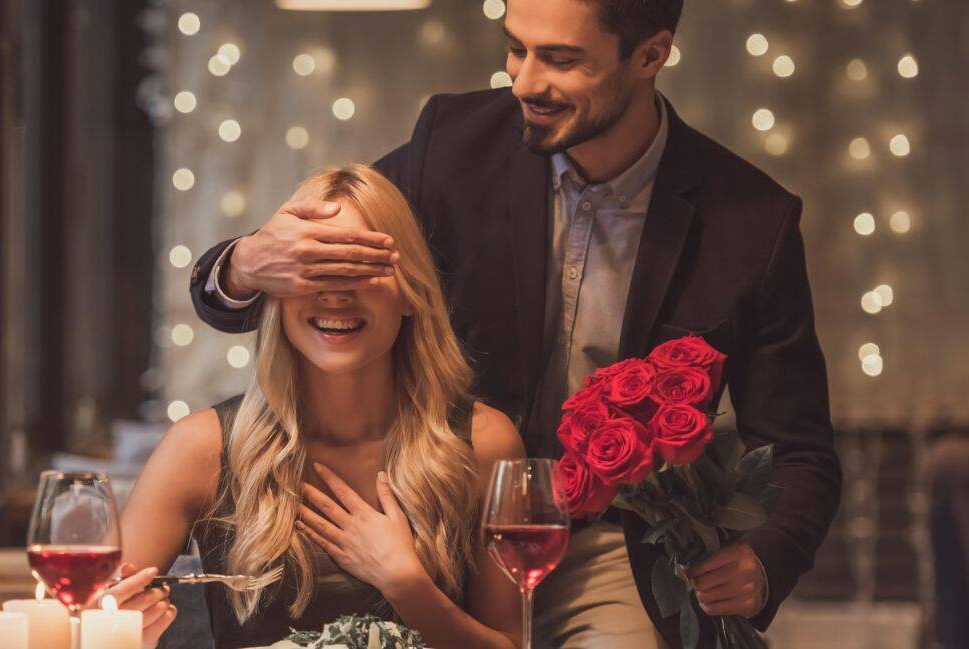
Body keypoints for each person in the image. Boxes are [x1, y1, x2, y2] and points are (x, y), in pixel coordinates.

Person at [186, 1, 842, 647]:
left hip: (608, 553)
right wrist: (242, 266)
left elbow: (800, 448)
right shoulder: (451, 142)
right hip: (443, 528)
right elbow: (333, 265)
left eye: (560, 59)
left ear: (651, 54)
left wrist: (768, 554)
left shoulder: (753, 224)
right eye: (516, 49)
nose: (525, 82)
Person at [118, 165, 526, 648]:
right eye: (314, 269)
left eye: (362, 267)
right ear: (275, 290)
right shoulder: (199, 447)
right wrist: (121, 630)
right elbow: (96, 622)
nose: (336, 292)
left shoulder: (486, 442)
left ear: (412, 294)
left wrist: (408, 587)